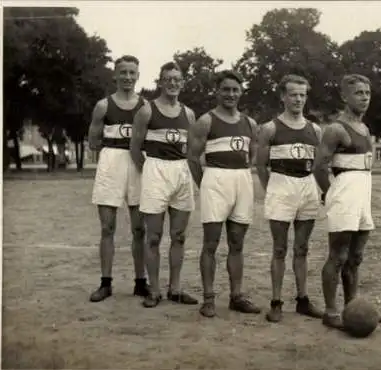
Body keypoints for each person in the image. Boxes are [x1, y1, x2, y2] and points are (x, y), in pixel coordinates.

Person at [187, 70, 262, 318]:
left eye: (235, 90)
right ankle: (208, 298)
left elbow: (252, 155)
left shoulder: (250, 123)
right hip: (215, 179)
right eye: (226, 89)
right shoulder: (206, 121)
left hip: (241, 179)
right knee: (211, 243)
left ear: (241, 92)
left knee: (237, 243)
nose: (230, 94)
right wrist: (205, 184)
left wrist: (242, 175)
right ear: (217, 92)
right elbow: (192, 158)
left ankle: (236, 296)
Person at [130, 62, 199, 308]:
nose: (172, 83)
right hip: (155, 171)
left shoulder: (188, 114)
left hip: (181, 172)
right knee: (154, 236)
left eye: (177, 79)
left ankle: (175, 289)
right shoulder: (147, 111)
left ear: (182, 82)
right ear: (160, 81)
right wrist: (150, 172)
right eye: (168, 78)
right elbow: (135, 149)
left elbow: (191, 149)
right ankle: (155, 290)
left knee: (179, 235)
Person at [256, 74, 324, 323]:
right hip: (281, 184)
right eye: (293, 94)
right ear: (283, 96)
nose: (298, 99)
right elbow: (261, 167)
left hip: (306, 186)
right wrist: (273, 189)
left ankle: (303, 300)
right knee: (280, 248)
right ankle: (276, 301)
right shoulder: (270, 128)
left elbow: (318, 164)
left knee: (302, 248)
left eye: (302, 95)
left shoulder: (315, 129)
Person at [312, 74, 376, 329]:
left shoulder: (365, 128)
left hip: (363, 195)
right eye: (359, 93)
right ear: (345, 97)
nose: (364, 98)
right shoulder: (336, 129)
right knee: (338, 256)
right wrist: (330, 193)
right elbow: (319, 167)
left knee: (356, 257)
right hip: (344, 195)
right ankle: (330, 311)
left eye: (367, 93)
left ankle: (353, 308)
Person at [88, 55, 149, 302]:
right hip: (111, 161)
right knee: (107, 227)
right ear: (115, 75)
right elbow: (93, 140)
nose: (127, 77)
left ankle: (140, 282)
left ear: (138, 76)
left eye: (132, 73)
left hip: (137, 163)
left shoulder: (145, 107)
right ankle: (106, 283)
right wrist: (112, 151)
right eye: (122, 72)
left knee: (139, 228)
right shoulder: (103, 106)